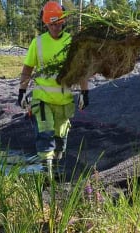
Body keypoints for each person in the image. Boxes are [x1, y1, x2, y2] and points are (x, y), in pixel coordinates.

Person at [17, 1, 89, 176]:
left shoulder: (72, 42)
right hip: (42, 99)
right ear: (46, 23)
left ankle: (55, 170)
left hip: (64, 102)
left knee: (60, 139)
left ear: (63, 21)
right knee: (45, 133)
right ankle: (46, 173)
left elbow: (81, 70)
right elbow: (27, 69)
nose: (55, 27)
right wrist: (21, 92)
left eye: (58, 23)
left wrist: (85, 93)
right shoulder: (38, 42)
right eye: (52, 24)